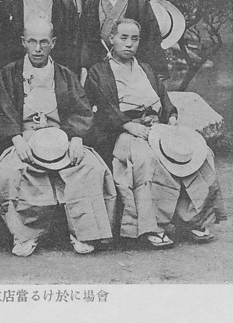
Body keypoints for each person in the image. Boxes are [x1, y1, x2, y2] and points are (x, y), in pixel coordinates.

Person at [84, 19, 225, 248]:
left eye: (134, 39)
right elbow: (104, 106)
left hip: (156, 127)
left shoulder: (146, 69)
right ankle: (153, 226)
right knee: (147, 159)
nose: (129, 44)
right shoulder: (99, 72)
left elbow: (163, 98)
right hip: (123, 132)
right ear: (111, 39)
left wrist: (171, 118)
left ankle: (192, 219)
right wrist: (127, 125)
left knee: (199, 153)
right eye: (123, 37)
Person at [0, 17, 116, 257]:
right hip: (26, 137)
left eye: (44, 42)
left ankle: (82, 233)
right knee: (7, 173)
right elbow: (4, 109)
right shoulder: (10, 73)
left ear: (53, 43)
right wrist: (16, 139)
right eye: (32, 41)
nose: (38, 48)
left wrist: (76, 138)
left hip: (62, 138)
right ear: (23, 42)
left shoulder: (65, 75)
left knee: (91, 167)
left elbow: (81, 110)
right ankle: (26, 234)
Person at [80, 0, 168, 82]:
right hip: (98, 74)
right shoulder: (91, 4)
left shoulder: (140, 2)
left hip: (133, 72)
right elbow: (84, 43)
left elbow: (152, 42)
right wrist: (84, 69)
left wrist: (155, 75)